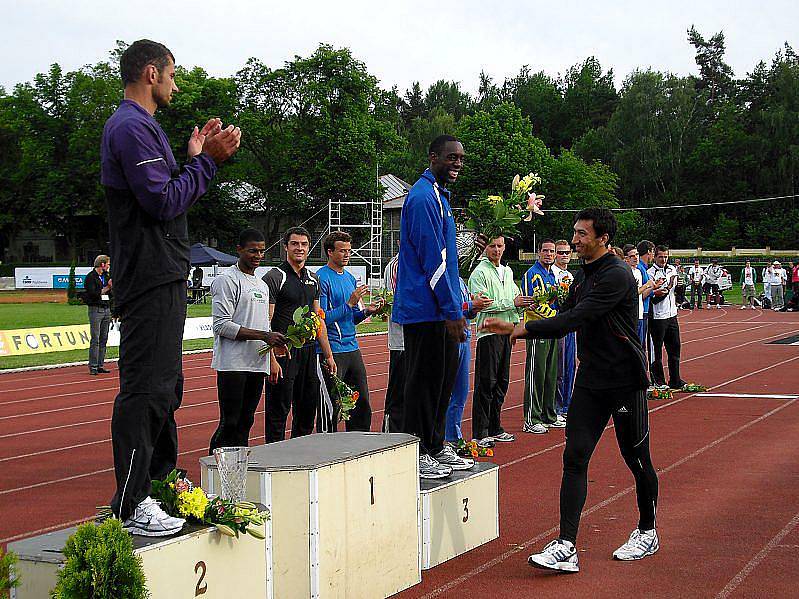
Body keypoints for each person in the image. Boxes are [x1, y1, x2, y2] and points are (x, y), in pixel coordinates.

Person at [101, 39, 240, 536]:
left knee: (165, 387)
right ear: (151, 72)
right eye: (173, 75)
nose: (176, 86)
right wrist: (208, 164)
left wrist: (194, 158)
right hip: (150, 276)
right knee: (146, 388)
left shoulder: (144, 127)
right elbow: (163, 202)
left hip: (162, 273)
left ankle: (156, 486)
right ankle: (132, 502)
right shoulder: (131, 126)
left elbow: (165, 195)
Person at [482, 207, 658, 573]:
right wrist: (520, 318)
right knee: (575, 457)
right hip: (591, 381)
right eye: (574, 233)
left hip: (625, 382)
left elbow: (575, 319)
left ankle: (647, 529)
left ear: (602, 238)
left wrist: (520, 331)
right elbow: (561, 314)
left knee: (636, 459)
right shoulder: (581, 278)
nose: (574, 240)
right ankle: (566, 545)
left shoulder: (617, 275)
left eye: (582, 234)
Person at [392, 134, 471, 479]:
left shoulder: (439, 196)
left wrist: (456, 306)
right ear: (433, 157)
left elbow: (450, 259)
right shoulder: (423, 197)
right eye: (451, 157)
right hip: (425, 308)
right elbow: (433, 259)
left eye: (461, 159)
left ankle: (436, 444)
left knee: (443, 378)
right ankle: (418, 449)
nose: (457, 164)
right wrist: (452, 312)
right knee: (423, 381)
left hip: (439, 307)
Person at [209, 229, 287, 453]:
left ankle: (238, 468)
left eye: (262, 251)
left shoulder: (261, 285)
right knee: (230, 422)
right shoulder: (227, 281)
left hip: (256, 363)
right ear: (239, 250)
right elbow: (221, 325)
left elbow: (265, 325)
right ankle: (214, 469)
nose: (257, 255)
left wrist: (273, 350)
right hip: (233, 364)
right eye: (252, 250)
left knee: (247, 421)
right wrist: (264, 336)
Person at [262, 227, 336, 442]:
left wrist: (328, 355)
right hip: (284, 353)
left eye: (304, 244)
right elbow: (266, 319)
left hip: (309, 353)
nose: (300, 248)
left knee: (306, 411)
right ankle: (274, 460)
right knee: (278, 411)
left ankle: (299, 459)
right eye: (295, 244)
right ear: (286, 247)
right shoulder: (275, 277)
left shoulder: (313, 278)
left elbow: (318, 318)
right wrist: (271, 358)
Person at [316, 231, 383, 431]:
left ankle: (359, 443)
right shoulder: (321, 278)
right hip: (332, 349)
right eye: (342, 251)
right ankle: (328, 446)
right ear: (330, 252)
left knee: (361, 402)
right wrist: (349, 303)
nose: (347, 255)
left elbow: (351, 317)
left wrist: (365, 312)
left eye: (349, 251)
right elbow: (323, 317)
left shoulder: (349, 278)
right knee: (333, 405)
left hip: (352, 347)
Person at [469, 236, 531, 443]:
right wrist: (512, 303)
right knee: (486, 382)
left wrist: (524, 304)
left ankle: (495, 427)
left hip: (507, 332)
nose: (496, 250)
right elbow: (484, 304)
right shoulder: (479, 273)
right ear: (485, 248)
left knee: (502, 382)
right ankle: (480, 432)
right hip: (489, 333)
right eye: (492, 246)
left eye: (500, 246)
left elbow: (516, 296)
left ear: (505, 248)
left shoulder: (508, 271)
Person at [520, 239, 561, 434]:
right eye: (545, 250)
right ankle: (531, 418)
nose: (549, 254)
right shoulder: (532, 274)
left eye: (551, 251)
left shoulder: (552, 275)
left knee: (551, 374)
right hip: (538, 329)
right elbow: (531, 303)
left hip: (552, 329)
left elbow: (555, 301)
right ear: (538, 252)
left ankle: (548, 414)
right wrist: (555, 317)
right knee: (536, 374)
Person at [445, 278, 492, 446]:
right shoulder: (444, 279)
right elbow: (446, 308)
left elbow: (467, 310)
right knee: (446, 391)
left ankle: (453, 437)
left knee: (461, 391)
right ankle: (444, 438)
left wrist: (475, 307)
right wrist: (471, 305)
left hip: (465, 335)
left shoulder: (460, 281)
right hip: (449, 337)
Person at [648, 246, 687, 391]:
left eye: (666, 257)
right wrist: (669, 286)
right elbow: (654, 298)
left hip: (672, 315)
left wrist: (677, 288)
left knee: (675, 348)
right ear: (655, 257)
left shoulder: (672, 269)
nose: (663, 260)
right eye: (660, 257)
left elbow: (676, 290)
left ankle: (675, 379)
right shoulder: (650, 273)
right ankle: (658, 380)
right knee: (656, 351)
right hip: (658, 317)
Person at [552, 240, 576, 421]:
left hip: (571, 324)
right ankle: (558, 407)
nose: (564, 256)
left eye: (567, 252)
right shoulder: (552, 273)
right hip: (558, 322)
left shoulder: (570, 274)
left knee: (570, 366)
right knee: (558, 368)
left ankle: (567, 405)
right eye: (560, 253)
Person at [382, 248, 404, 433]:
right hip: (402, 341)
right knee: (398, 394)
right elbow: (396, 301)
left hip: (418, 339)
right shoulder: (397, 265)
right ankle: (390, 434)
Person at [84, 254, 113, 375]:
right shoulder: (91, 277)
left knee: (104, 338)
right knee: (95, 338)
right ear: (102, 264)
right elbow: (93, 293)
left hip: (106, 309)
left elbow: (110, 293)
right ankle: (93, 366)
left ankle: (101, 364)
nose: (108, 266)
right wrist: (107, 287)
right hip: (96, 309)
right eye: (108, 264)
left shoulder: (106, 276)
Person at [636, 240, 657, 348]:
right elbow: (641, 294)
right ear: (648, 252)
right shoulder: (640, 268)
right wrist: (653, 287)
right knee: (640, 346)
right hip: (641, 311)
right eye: (653, 252)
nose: (653, 255)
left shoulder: (643, 268)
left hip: (644, 310)